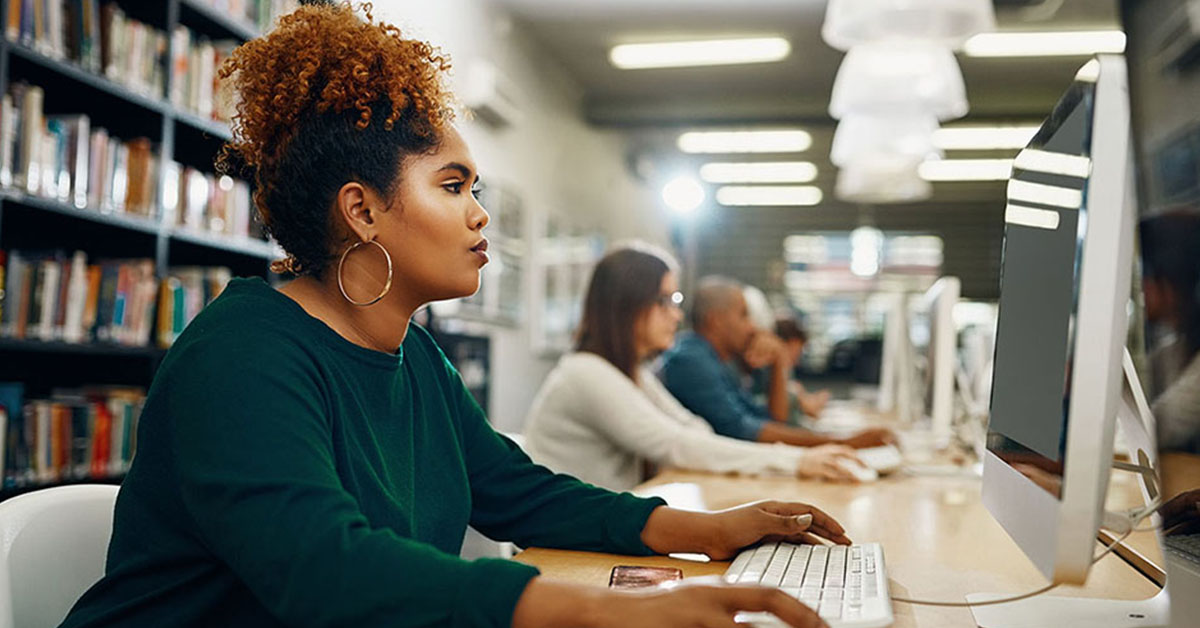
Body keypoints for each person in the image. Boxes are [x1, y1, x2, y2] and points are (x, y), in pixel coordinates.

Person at [57, 6, 842, 628]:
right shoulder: (241, 358)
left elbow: (527, 496)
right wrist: (609, 609)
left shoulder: (417, 360)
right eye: (455, 185)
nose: (480, 216)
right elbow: (326, 570)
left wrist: (712, 531)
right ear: (362, 211)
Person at [523, 245, 865, 491]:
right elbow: (675, 444)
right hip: (558, 553)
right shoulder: (586, 374)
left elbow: (692, 429)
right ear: (627, 305)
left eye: (677, 302)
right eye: (665, 301)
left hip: (596, 531)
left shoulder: (630, 372)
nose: (677, 314)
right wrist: (796, 462)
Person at [661, 276, 893, 449]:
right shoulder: (691, 360)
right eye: (743, 315)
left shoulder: (718, 361)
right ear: (716, 321)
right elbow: (746, 432)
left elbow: (770, 420)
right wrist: (845, 443)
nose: (752, 326)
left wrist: (780, 360)